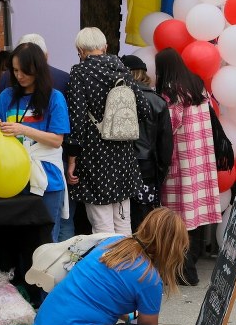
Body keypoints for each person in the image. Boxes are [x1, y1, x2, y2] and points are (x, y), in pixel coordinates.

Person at [32, 207, 188, 325]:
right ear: (172, 247)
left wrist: (132, 317)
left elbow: (106, 299)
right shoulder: (149, 278)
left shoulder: (112, 242)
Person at [65, 28, 144, 236]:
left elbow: (77, 119)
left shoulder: (79, 73)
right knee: (123, 218)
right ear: (105, 47)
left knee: (101, 224)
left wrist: (72, 159)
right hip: (123, 154)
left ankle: (109, 265)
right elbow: (143, 109)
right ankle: (126, 264)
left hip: (94, 155)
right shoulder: (122, 70)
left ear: (80, 50)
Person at [153, 48, 221, 285]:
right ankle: (191, 262)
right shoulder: (197, 85)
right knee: (195, 217)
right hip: (202, 160)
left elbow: (168, 127)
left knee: (177, 218)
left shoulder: (171, 93)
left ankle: (185, 271)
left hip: (180, 162)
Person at [0, 42, 70, 241]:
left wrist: (23, 129)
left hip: (46, 178)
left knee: (47, 239)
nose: (19, 76)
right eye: (15, 70)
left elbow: (56, 140)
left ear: (38, 69)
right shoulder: (6, 96)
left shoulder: (54, 98)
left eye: (25, 71)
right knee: (18, 240)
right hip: (12, 176)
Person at [121, 54, 173, 230]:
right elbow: (165, 144)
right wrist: (160, 171)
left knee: (120, 217)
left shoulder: (118, 98)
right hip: (147, 167)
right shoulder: (158, 101)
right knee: (144, 218)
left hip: (120, 165)